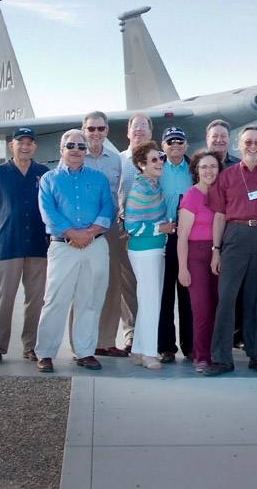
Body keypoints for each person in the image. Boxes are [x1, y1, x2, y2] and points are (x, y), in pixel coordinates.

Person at [205, 127, 257, 376]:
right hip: (235, 237)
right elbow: (219, 215)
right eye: (248, 142)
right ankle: (221, 358)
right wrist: (216, 250)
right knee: (227, 298)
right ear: (239, 146)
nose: (253, 146)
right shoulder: (227, 176)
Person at [34, 129, 114, 373]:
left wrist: (89, 234)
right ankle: (45, 353)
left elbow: (108, 208)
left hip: (95, 245)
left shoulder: (99, 178)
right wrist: (73, 234)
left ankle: (85, 352)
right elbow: (48, 212)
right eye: (71, 146)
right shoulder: (49, 179)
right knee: (56, 300)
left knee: (90, 300)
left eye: (81, 146)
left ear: (86, 151)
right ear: (62, 150)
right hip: (63, 247)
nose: (76, 150)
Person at [0, 126, 50, 365]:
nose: (25, 146)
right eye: (21, 142)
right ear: (13, 145)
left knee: (36, 299)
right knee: (4, 298)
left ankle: (31, 346)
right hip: (9, 246)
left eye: (29, 142)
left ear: (35, 146)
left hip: (39, 246)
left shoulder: (44, 173)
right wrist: (5, 229)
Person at [98, 113, 152, 356]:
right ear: (128, 133)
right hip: (123, 230)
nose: (139, 130)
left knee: (150, 285)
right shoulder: (117, 161)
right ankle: (131, 334)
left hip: (152, 233)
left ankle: (150, 335)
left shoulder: (157, 160)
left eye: (144, 126)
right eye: (135, 127)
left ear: (151, 133)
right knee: (127, 286)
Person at [81, 111, 131, 358]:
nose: (96, 134)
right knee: (83, 285)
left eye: (101, 129)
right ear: (84, 130)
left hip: (109, 229)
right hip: (81, 230)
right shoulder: (76, 155)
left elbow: (119, 193)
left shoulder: (115, 160)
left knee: (112, 286)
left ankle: (106, 342)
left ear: (107, 131)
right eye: (91, 129)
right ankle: (82, 344)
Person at [124, 141, 176, 369]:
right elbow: (131, 226)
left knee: (149, 300)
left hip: (156, 248)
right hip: (144, 250)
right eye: (154, 159)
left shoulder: (154, 185)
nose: (159, 163)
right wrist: (160, 228)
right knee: (151, 301)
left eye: (160, 158)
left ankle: (139, 350)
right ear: (141, 164)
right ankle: (148, 353)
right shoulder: (140, 188)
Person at [176, 150, 223, 373]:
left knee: (217, 306)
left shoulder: (222, 194)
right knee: (202, 308)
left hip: (218, 254)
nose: (208, 171)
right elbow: (182, 236)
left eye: (213, 166)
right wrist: (183, 268)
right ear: (196, 170)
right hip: (196, 255)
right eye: (203, 167)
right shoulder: (191, 196)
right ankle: (201, 356)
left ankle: (216, 352)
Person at [157, 126, 194, 363]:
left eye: (179, 141)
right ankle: (166, 347)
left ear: (186, 145)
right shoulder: (156, 168)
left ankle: (190, 346)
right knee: (164, 295)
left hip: (189, 238)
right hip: (163, 237)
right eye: (170, 142)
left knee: (188, 294)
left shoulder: (195, 169)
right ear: (163, 146)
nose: (175, 145)